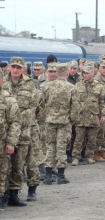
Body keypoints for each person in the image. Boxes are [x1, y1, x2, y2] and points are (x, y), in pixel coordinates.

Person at [2, 57, 37, 207]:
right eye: (13, 67)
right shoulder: (3, 82)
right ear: (10, 68)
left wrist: (24, 120)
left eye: (19, 67)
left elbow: (35, 107)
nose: (15, 70)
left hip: (23, 131)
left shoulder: (30, 84)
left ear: (23, 69)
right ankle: (4, 194)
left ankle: (14, 194)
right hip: (5, 133)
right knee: (4, 166)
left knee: (17, 164)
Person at [41, 63, 79, 184]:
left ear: (56, 73)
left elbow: (41, 104)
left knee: (50, 147)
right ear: (67, 73)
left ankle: (47, 176)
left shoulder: (46, 86)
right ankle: (61, 176)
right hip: (64, 122)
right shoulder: (71, 88)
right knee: (61, 148)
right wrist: (73, 120)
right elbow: (75, 107)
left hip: (49, 121)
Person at [71, 64, 105, 166]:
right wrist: (73, 115)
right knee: (78, 139)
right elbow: (73, 101)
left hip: (93, 117)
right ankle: (76, 157)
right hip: (80, 117)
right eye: (84, 73)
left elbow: (102, 102)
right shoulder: (77, 86)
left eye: (87, 73)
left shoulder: (99, 87)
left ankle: (89, 156)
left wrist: (104, 115)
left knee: (92, 139)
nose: (85, 75)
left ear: (93, 73)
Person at [0, 69, 22, 208]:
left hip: (2, 144)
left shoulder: (8, 100)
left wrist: (11, 143)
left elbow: (15, 122)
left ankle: (1, 198)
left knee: (3, 172)